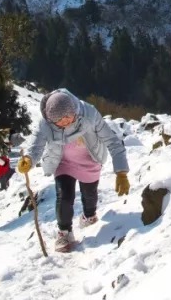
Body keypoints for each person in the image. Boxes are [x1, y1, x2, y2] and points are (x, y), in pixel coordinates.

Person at [17, 89, 131, 253]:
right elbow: (36, 145)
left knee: (90, 196)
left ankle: (88, 216)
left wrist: (121, 171)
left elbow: (112, 141)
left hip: (89, 161)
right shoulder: (45, 123)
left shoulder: (89, 114)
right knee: (64, 196)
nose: (65, 122)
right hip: (63, 162)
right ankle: (64, 232)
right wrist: (29, 159)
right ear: (51, 119)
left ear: (74, 111)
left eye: (68, 117)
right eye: (60, 120)